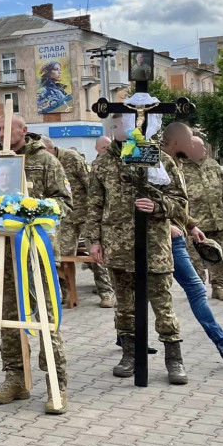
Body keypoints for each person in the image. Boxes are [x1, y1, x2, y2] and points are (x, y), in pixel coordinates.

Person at [87, 118, 189, 386]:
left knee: (163, 306)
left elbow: (181, 204)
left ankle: (173, 359)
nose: (123, 126)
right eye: (118, 122)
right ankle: (130, 354)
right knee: (125, 308)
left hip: (153, 246)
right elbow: (94, 206)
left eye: (128, 121)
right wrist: (94, 240)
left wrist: (157, 206)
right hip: (118, 247)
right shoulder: (102, 164)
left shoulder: (157, 158)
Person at [0, 115, 72, 414]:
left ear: (24, 130)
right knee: (8, 319)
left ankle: (55, 384)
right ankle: (15, 378)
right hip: (2, 252)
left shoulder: (46, 161)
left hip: (36, 252)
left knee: (44, 316)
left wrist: (33, 208)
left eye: (8, 128)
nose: (2, 132)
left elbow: (65, 203)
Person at [160, 124, 223, 366]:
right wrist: (164, 224)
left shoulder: (177, 163)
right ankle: (130, 341)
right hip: (157, 241)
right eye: (190, 142)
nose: (196, 147)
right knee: (146, 295)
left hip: (176, 238)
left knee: (194, 288)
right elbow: (138, 199)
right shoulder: (155, 161)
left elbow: (177, 202)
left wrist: (191, 226)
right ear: (177, 143)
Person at [42, 136, 115, 309]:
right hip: (65, 217)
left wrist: (97, 212)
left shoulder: (71, 158)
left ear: (49, 149)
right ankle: (66, 293)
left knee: (96, 254)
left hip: (86, 214)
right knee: (61, 255)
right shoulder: (46, 165)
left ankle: (106, 292)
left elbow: (91, 184)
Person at [182, 136, 223, 300]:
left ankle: (219, 287)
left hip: (216, 219)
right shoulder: (181, 167)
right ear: (189, 148)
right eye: (200, 147)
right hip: (194, 221)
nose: (204, 150)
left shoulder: (213, 164)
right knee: (194, 258)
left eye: (204, 147)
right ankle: (198, 289)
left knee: (217, 254)